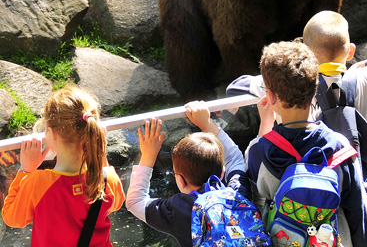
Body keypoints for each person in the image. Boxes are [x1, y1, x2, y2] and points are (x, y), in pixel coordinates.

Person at [245, 41, 367, 247]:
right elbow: (360, 214)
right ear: (315, 90)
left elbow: (253, 208)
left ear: (270, 97)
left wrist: (265, 124)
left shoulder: (258, 151)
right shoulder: (341, 147)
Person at [228, 11, 367, 136]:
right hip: (354, 181)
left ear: (306, 51)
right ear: (351, 52)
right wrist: (363, 64)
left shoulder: (289, 83)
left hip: (307, 189)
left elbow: (236, 87)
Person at [2, 86, 125, 246]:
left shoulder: (38, 182)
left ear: (51, 134)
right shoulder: (108, 178)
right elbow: (115, 204)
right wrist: (100, 156)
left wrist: (26, 170)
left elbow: (12, 218)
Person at [125, 101, 248, 247]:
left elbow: (135, 202)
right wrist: (207, 124)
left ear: (181, 180)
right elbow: (235, 158)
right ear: (223, 172)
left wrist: (148, 156)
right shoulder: (237, 193)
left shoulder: (181, 209)